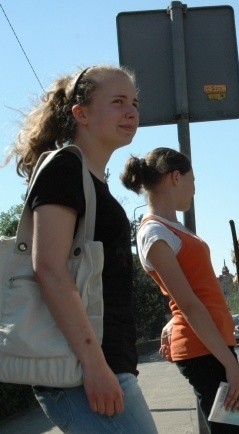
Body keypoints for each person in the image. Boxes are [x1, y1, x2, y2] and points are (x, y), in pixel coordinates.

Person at [5, 65, 157, 433]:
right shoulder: (64, 169)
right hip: (79, 373)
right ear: (81, 113)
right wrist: (94, 366)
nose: (132, 112)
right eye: (118, 102)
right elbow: (50, 268)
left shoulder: (92, 181)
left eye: (135, 103)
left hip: (102, 367)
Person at [121, 147, 239, 433]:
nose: (194, 189)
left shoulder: (170, 228)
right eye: (193, 180)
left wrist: (171, 320)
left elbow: (189, 291)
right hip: (203, 349)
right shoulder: (154, 233)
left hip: (210, 344)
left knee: (231, 428)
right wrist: (232, 365)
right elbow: (189, 304)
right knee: (233, 431)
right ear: (175, 177)